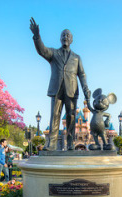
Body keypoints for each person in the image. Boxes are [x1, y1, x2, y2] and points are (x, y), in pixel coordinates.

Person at [30, 18, 91, 151]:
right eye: (63, 35)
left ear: (72, 40)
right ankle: (51, 143)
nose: (65, 37)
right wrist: (37, 36)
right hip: (57, 89)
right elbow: (42, 50)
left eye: (68, 35)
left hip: (72, 90)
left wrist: (86, 89)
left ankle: (70, 143)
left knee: (71, 116)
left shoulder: (76, 57)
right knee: (55, 115)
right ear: (60, 38)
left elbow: (82, 74)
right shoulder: (54, 53)